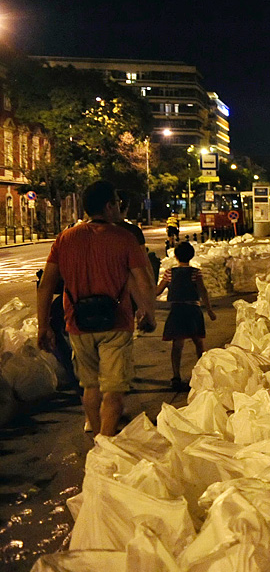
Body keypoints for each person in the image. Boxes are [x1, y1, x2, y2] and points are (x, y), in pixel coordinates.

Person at [36, 180, 157, 438]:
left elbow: (46, 285)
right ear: (109, 205)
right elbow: (142, 280)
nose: (119, 207)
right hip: (117, 322)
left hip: (77, 323)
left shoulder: (65, 239)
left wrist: (43, 326)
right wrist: (148, 312)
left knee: (90, 385)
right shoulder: (124, 238)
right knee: (114, 389)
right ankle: (107, 440)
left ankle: (97, 441)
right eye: (117, 202)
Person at [155, 241, 216, 392]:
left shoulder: (169, 272)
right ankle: (203, 373)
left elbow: (157, 291)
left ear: (175, 256)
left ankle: (176, 376)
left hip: (177, 310)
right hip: (193, 310)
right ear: (192, 255)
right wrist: (209, 310)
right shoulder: (196, 273)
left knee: (177, 345)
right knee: (198, 343)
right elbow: (203, 292)